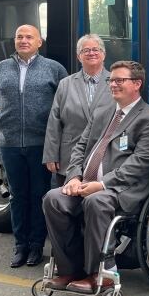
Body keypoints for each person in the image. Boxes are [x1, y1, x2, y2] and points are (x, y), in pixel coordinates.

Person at [41, 60, 149, 293]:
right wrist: (74, 178)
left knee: (95, 201)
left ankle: (100, 273)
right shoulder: (102, 112)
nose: (113, 84)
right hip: (87, 183)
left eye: (120, 80)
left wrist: (101, 184)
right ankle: (69, 269)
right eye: (111, 80)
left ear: (137, 84)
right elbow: (79, 148)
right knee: (53, 198)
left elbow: (139, 165)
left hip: (123, 189)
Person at [0, 24, 68, 268]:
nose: (23, 40)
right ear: (14, 41)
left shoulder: (54, 69)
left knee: (39, 195)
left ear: (39, 42)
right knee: (17, 196)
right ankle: (20, 246)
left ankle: (36, 246)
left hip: (41, 144)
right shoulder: (1, 68)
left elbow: (63, 104)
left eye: (29, 37)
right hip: (10, 143)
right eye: (19, 37)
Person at [43, 35, 114, 188]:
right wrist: (51, 155)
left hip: (104, 157)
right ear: (78, 56)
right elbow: (54, 121)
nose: (91, 53)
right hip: (69, 157)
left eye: (96, 49)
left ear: (104, 54)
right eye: (85, 50)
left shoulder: (115, 82)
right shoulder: (65, 84)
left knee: (96, 203)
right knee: (66, 202)